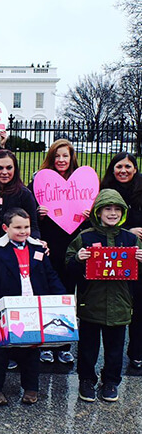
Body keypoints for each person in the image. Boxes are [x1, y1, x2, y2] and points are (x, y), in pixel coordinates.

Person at [66, 189, 142, 402]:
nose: (112, 213)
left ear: (123, 213)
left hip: (120, 303)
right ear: (98, 212)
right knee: (88, 347)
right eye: (107, 208)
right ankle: (86, 380)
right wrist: (78, 259)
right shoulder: (85, 237)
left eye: (117, 209)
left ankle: (110, 382)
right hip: (91, 301)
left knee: (115, 348)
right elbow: (68, 267)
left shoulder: (130, 238)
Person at [0, 208, 66, 405]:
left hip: (33, 306)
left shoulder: (38, 248)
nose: (23, 231)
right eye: (18, 227)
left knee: (31, 350)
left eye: (27, 227)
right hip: (8, 307)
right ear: (6, 228)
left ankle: (31, 387)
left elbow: (50, 275)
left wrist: (62, 297)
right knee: (1, 351)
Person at [0, 149, 40, 365]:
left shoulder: (23, 194)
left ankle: (15, 347)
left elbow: (35, 228)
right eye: (0, 168)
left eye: (9, 167)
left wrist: (39, 249)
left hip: (14, 256)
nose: (5, 172)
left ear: (15, 169)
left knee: (12, 300)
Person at [30, 139, 83, 365]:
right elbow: (28, 215)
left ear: (71, 158)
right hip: (48, 244)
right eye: (57, 156)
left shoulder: (81, 183)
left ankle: (63, 345)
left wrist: (88, 214)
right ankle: (45, 344)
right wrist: (37, 212)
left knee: (67, 295)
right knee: (45, 293)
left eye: (65, 156)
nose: (61, 160)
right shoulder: (40, 180)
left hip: (71, 246)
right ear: (51, 158)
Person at [101, 152, 142, 369]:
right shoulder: (105, 189)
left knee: (140, 305)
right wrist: (128, 230)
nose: (123, 170)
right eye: (119, 166)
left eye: (127, 166)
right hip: (112, 257)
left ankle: (137, 351)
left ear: (135, 169)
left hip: (138, 254)